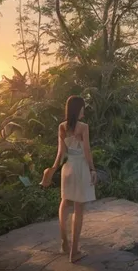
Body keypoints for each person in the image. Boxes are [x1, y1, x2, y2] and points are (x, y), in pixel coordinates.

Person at [43, 95, 97, 263]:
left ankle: (64, 244)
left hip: (68, 168)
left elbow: (60, 153)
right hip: (80, 168)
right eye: (83, 107)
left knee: (64, 203)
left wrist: (53, 169)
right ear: (77, 109)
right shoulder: (83, 127)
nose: (84, 110)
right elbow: (87, 151)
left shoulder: (62, 127)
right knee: (78, 208)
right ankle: (74, 253)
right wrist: (93, 169)